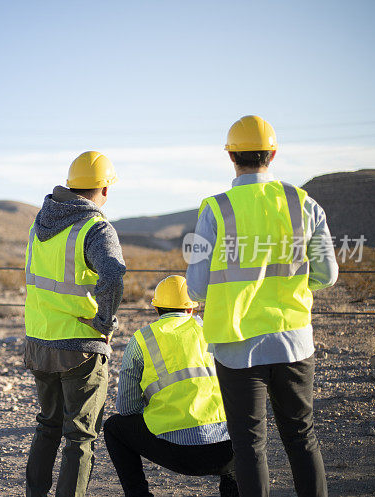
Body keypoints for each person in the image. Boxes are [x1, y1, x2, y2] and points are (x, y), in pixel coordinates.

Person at [185, 115, 339, 496]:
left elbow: (197, 286)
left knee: (249, 447)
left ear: (231, 157)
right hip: (294, 342)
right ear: (272, 153)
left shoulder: (216, 210)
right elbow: (328, 274)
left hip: (238, 347)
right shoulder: (304, 204)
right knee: (302, 437)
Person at [24, 151, 126, 497]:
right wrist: (105, 321)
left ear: (71, 185)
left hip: (39, 342)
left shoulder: (40, 224)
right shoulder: (96, 227)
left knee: (48, 426)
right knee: (79, 437)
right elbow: (112, 274)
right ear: (105, 190)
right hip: (80, 346)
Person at [103, 275, 238, 497]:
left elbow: (126, 408)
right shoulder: (213, 331)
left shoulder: (141, 340)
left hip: (175, 452)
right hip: (226, 451)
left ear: (156, 308)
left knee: (114, 428)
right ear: (191, 309)